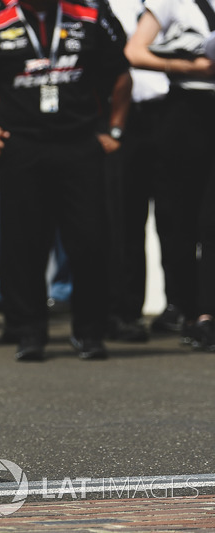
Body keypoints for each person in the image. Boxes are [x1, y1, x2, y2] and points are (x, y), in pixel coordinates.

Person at [0, 0, 132, 361]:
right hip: (21, 149)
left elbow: (122, 75)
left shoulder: (90, 19)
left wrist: (115, 128)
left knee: (91, 240)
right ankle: (29, 332)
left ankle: (90, 333)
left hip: (80, 145)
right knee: (23, 244)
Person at [124, 0, 215, 351]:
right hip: (185, 112)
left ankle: (208, 313)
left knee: (212, 222)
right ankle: (189, 311)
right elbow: (134, 51)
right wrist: (188, 66)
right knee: (181, 220)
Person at [104, 0, 170, 343]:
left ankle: (177, 306)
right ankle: (121, 311)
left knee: (173, 219)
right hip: (121, 121)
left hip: (171, 113)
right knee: (125, 220)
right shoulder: (101, 7)